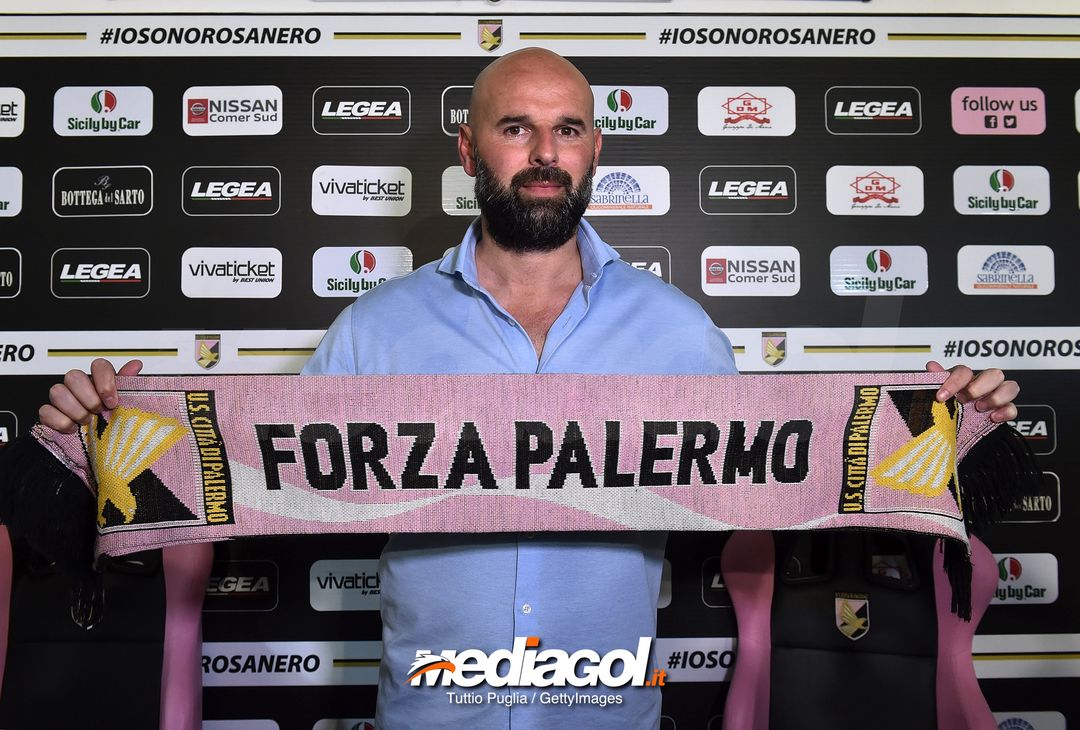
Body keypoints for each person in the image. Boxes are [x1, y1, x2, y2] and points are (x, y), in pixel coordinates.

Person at [40, 48, 1020, 729]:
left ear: (596, 152)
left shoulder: (680, 333)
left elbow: (775, 488)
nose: (544, 153)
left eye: (567, 130)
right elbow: (257, 478)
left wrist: (944, 435)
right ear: (470, 152)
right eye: (516, 128)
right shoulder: (374, 330)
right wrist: (94, 439)